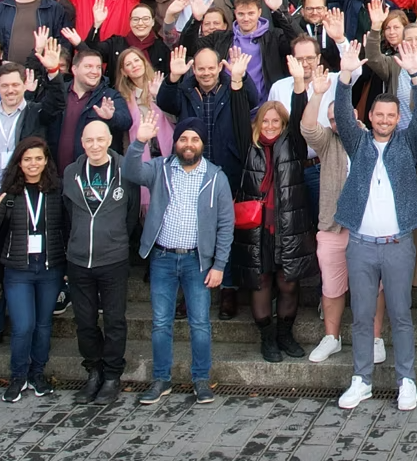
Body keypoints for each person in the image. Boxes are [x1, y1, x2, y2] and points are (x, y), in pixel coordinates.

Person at [327, 32, 417, 413]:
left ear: (396, 119)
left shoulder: (407, 144)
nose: (385, 120)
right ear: (370, 118)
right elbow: (343, 116)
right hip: (359, 244)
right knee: (360, 316)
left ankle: (406, 380)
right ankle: (362, 380)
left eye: (391, 116)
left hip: (397, 245)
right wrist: (345, 79)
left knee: (401, 315)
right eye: (379, 115)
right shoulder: (357, 143)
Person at [126, 109, 235, 405]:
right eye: (183, 138)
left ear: (202, 144)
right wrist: (139, 142)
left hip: (196, 262)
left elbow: (226, 225)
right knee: (161, 323)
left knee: (200, 323)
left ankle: (201, 379)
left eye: (195, 139)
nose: (189, 143)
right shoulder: (160, 168)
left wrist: (220, 265)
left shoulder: (216, 177)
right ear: (175, 142)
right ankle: (161, 379)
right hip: (162, 258)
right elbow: (130, 172)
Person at [61, 118, 137, 403]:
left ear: (109, 141)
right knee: (85, 321)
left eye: (100, 140)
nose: (95, 145)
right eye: (89, 140)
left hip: (113, 258)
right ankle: (93, 371)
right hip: (80, 260)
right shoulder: (71, 173)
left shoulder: (124, 171)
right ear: (82, 143)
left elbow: (130, 214)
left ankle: (112, 376)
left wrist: (117, 239)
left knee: (115, 320)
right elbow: (67, 214)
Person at [236, 99, 315, 364]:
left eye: (276, 121)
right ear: (257, 124)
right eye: (265, 121)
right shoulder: (247, 147)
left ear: (284, 125)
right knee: (261, 283)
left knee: (288, 283)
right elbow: (237, 114)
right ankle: (267, 339)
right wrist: (237, 84)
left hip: (288, 228)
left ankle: (285, 336)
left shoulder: (294, 145)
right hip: (256, 229)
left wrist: (298, 85)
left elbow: (299, 115)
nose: (270, 126)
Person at [0, 137, 63, 400]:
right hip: (18, 270)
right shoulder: (8, 193)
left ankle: (37, 374)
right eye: (27, 159)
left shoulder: (56, 191)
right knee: (23, 326)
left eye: (38, 158)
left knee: (43, 325)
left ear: (46, 161)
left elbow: (66, 227)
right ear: (19, 162)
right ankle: (18, 376)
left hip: (49, 269)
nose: (33, 164)